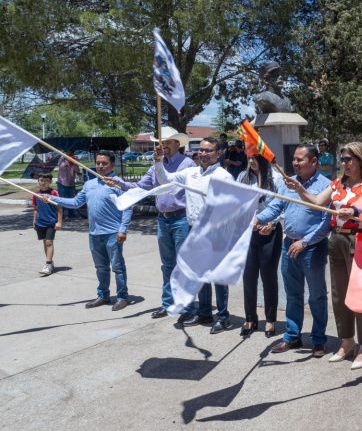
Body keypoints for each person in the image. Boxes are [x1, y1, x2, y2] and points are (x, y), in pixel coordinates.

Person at [285, 141, 362, 370]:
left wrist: (356, 213)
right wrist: (299, 190)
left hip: (360, 240)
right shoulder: (338, 184)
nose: (344, 164)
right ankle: (346, 343)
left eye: (348, 159)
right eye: (342, 159)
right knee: (339, 294)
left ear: (361, 159)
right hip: (336, 240)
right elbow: (317, 203)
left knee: (361, 296)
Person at [106, 129, 196, 319]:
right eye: (159, 143)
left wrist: (158, 164)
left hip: (181, 218)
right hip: (163, 219)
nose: (161, 146)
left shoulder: (187, 164)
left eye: (166, 142)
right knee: (167, 264)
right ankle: (168, 303)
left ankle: (187, 306)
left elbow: (170, 186)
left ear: (177, 145)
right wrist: (119, 183)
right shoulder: (156, 164)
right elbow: (140, 187)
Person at [256, 144, 332, 358]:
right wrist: (258, 218)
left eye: (300, 159)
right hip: (288, 245)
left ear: (314, 161)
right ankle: (292, 335)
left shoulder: (326, 186)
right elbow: (276, 207)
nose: (295, 163)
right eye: (294, 159)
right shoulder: (287, 182)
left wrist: (305, 242)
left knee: (317, 296)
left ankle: (318, 340)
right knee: (292, 294)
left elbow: (326, 221)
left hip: (312, 249)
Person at [154, 137, 235, 334]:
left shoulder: (224, 177)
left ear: (218, 153)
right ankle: (205, 312)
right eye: (201, 150)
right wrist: (157, 161)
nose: (204, 153)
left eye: (209, 150)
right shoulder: (190, 173)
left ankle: (223, 316)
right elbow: (165, 180)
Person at [48, 152, 133, 311]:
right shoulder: (89, 184)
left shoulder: (118, 183)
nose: (100, 166)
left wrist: (123, 230)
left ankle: (122, 297)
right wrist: (52, 199)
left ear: (112, 165)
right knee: (100, 267)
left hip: (113, 233)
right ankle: (103, 295)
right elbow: (75, 203)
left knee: (117, 267)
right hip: (94, 233)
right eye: (98, 163)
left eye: (104, 163)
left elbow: (127, 207)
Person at [237, 154, 285, 338]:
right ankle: (250, 318)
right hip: (248, 232)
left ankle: (271, 320)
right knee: (248, 277)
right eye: (248, 157)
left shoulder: (276, 178)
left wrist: (271, 224)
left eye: (255, 157)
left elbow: (282, 204)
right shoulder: (243, 177)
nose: (250, 161)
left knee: (268, 278)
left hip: (270, 232)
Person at [32, 173, 62, 276]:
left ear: (50, 182)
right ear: (38, 182)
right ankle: (50, 262)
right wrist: (34, 221)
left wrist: (59, 221)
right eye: (41, 180)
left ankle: (48, 264)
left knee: (49, 242)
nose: (43, 182)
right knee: (45, 242)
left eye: (46, 181)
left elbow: (59, 208)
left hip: (51, 222)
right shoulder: (36, 194)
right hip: (40, 222)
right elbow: (36, 209)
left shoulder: (53, 193)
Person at [56, 149, 81, 218]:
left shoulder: (74, 160)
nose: (71, 153)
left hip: (71, 183)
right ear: (66, 152)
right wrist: (70, 161)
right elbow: (62, 167)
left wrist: (75, 163)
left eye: (72, 152)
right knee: (62, 199)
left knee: (71, 198)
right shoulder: (62, 158)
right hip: (62, 182)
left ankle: (71, 214)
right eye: (69, 152)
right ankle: (62, 214)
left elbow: (77, 170)